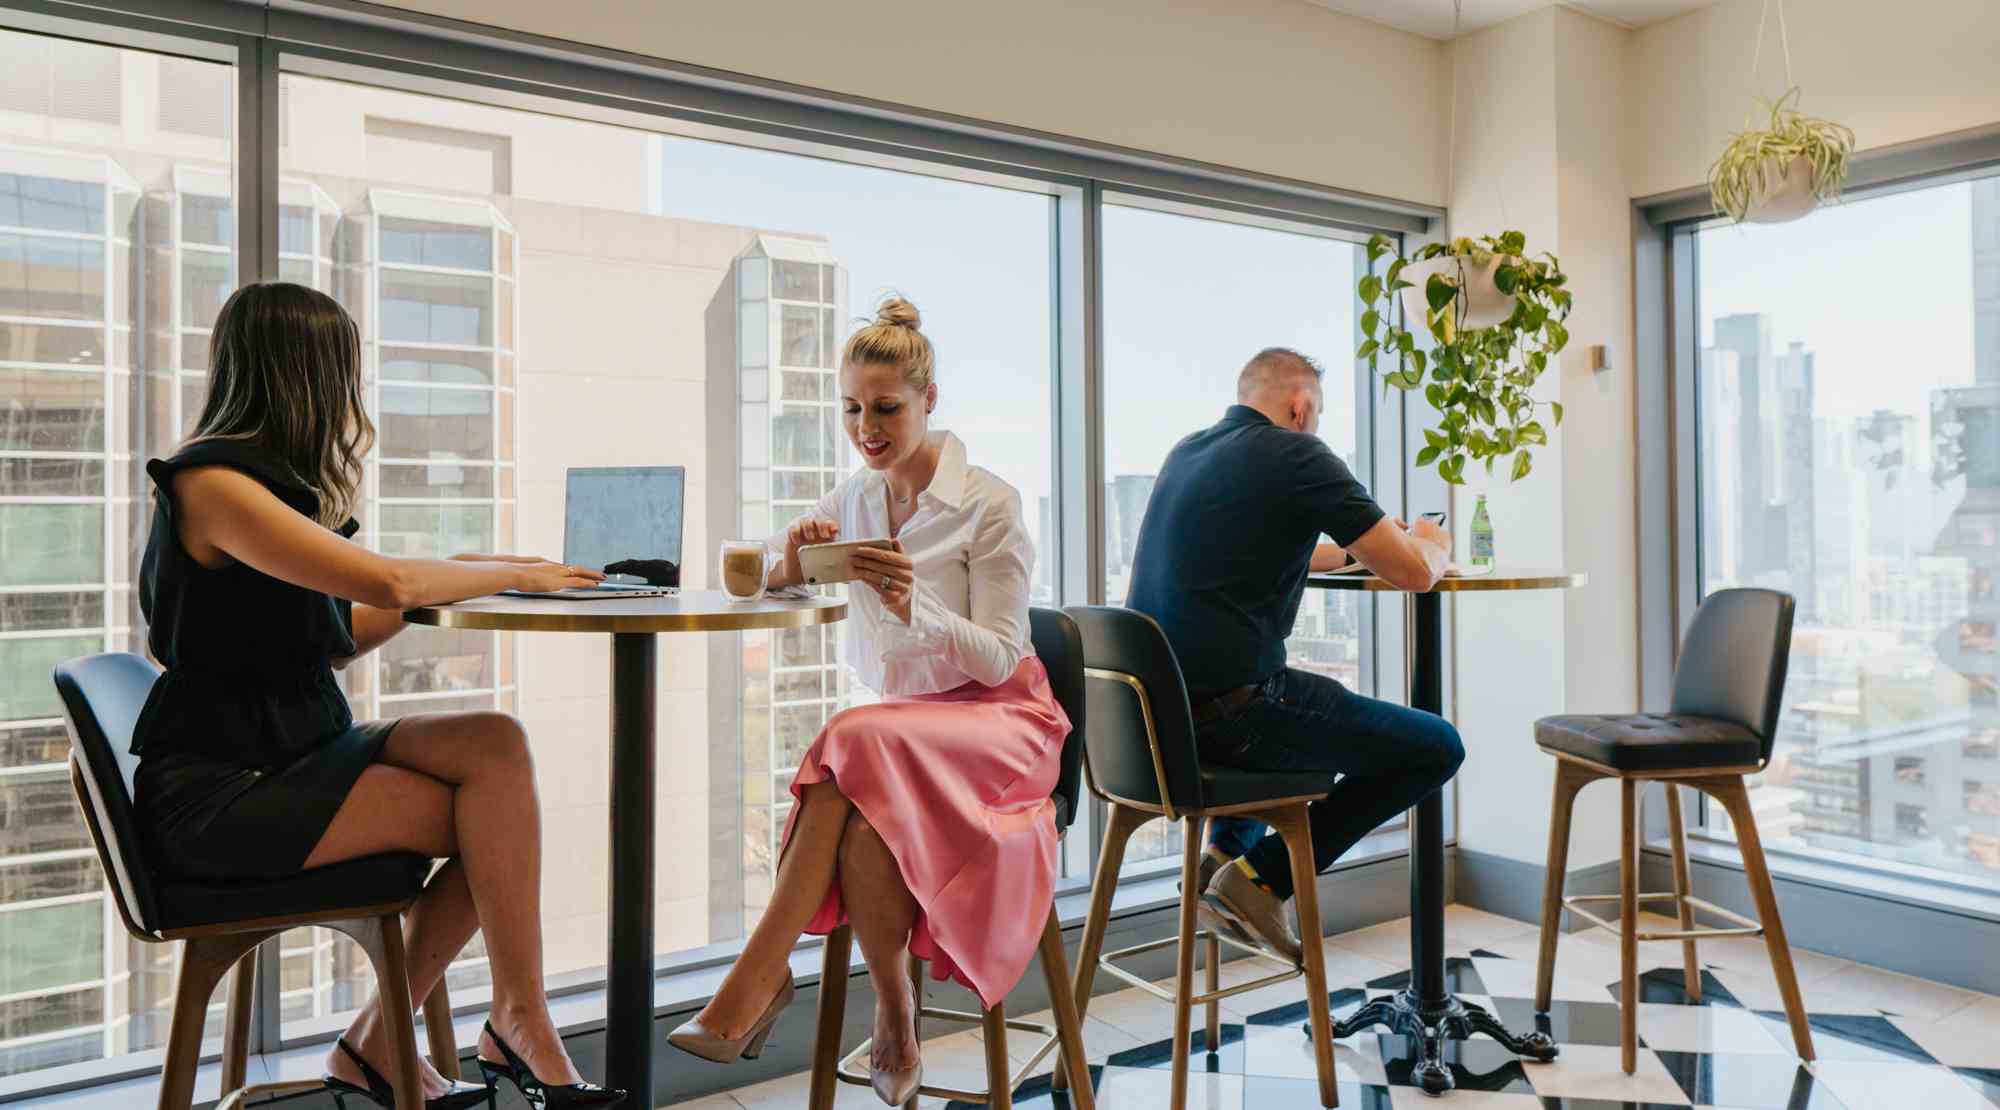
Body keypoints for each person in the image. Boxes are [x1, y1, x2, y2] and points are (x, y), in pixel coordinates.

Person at [130, 282, 624, 1110]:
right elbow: (388, 578)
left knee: (495, 747)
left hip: (288, 759)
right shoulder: (212, 484)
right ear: (307, 374)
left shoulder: (268, 493)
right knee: (497, 824)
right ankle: (505, 1026)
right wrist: (505, 570)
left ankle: (413, 1038)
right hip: (221, 798)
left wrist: (489, 562)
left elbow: (338, 634)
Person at [669, 297, 1067, 1107]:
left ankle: (760, 978)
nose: (867, 427)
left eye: (886, 408)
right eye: (851, 409)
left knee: (849, 738)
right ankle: (893, 1013)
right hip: (909, 733)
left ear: (929, 401)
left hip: (1003, 723)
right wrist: (795, 556)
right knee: (856, 808)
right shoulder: (855, 497)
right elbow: (771, 574)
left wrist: (907, 598)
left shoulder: (990, 504)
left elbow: (1000, 654)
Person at [1125, 347, 1463, 963]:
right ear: (1302, 406)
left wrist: (1358, 551)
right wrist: (1432, 545)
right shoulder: (1297, 453)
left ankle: (1222, 859)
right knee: (1437, 746)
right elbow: (1415, 573)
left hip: (1158, 725)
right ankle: (1260, 880)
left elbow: (1281, 549)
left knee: (1278, 699)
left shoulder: (1190, 452)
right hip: (1233, 720)